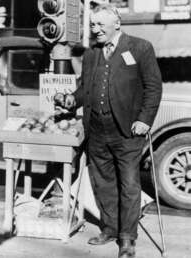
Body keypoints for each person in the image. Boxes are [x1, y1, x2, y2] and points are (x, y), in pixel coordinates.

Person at [61, 4, 162, 258]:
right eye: (92, 25)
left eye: (99, 25)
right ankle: (110, 228)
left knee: (128, 184)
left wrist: (145, 119)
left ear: (116, 24)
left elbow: (153, 87)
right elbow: (85, 88)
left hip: (127, 131)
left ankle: (127, 239)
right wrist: (72, 99)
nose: (95, 30)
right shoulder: (92, 54)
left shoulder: (140, 47)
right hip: (96, 130)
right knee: (103, 183)